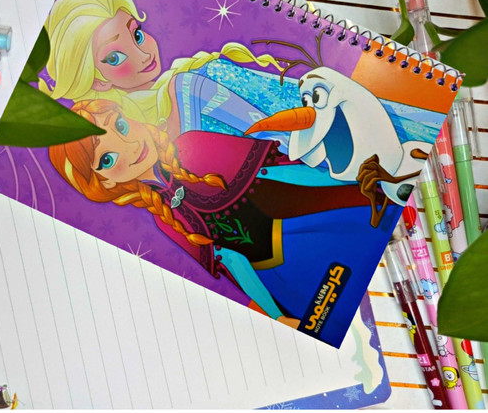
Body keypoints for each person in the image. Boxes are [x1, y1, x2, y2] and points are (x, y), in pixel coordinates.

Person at [48, 99, 401, 335]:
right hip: (284, 280)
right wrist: (277, 316)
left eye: (121, 126)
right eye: (107, 159)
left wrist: (351, 185)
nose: (130, 146)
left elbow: (280, 172)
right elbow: (231, 262)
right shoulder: (162, 218)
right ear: (104, 182)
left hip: (316, 230)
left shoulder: (194, 145)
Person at [41, 0, 284, 136]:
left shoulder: (172, 85)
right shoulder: (116, 122)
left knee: (209, 70)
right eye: (115, 58)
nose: (143, 55)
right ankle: (289, 137)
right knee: (190, 82)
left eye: (137, 35)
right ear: (97, 81)